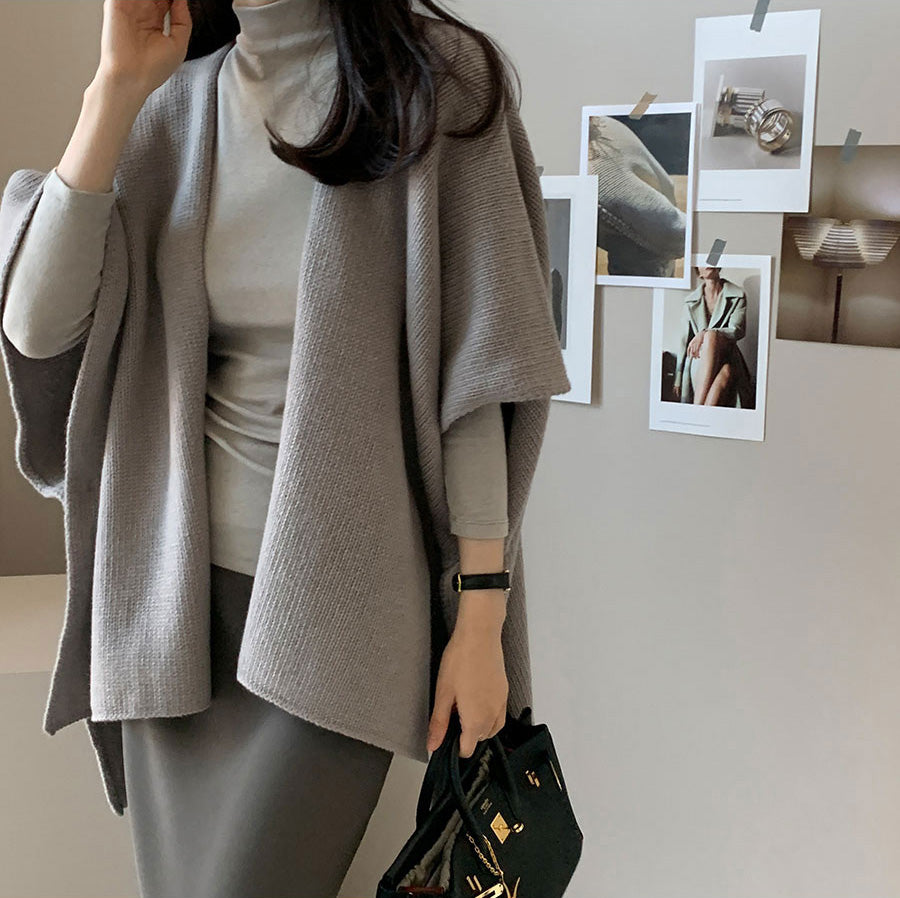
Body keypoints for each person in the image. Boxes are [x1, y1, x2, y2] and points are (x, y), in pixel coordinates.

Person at [0, 1, 569, 895]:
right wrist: (113, 89)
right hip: (169, 608)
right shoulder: (170, 105)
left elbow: (475, 379)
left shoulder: (436, 85)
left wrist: (481, 618)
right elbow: (37, 327)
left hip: (338, 613)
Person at [672, 266, 755, 407]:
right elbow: (684, 341)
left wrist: (705, 333)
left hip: (727, 354)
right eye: (703, 261)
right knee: (725, 370)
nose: (708, 263)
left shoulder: (738, 295)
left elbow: (737, 331)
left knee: (711, 337)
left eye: (711, 259)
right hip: (699, 359)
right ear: (698, 272)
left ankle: (696, 410)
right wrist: (678, 378)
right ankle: (700, 411)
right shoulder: (690, 301)